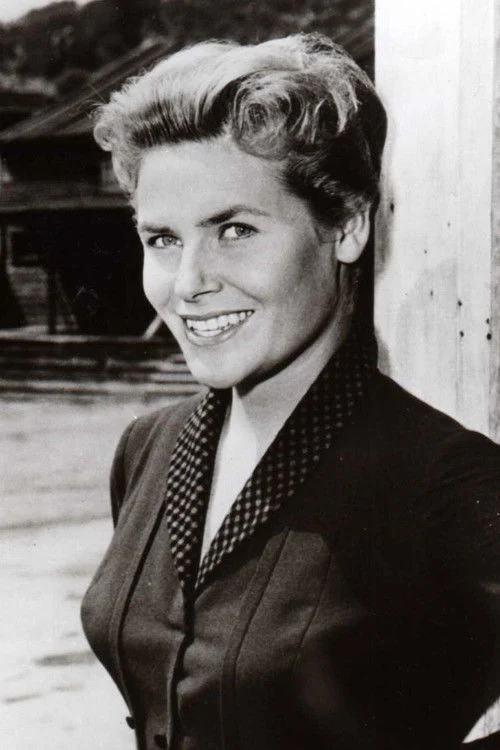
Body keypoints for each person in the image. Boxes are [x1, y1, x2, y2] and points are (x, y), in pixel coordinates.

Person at [81, 33, 500, 750]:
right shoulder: (147, 448)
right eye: (163, 239)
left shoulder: (445, 481)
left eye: (235, 230)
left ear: (347, 226)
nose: (188, 284)